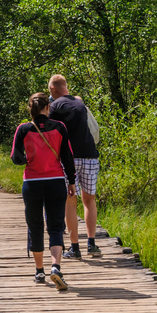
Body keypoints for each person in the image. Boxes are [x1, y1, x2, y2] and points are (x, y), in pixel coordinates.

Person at [11, 93, 76, 291]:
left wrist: (28, 160)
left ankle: (39, 270)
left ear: (30, 109)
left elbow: (15, 157)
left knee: (35, 224)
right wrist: (71, 182)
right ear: (47, 107)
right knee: (56, 225)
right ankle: (55, 267)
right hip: (56, 181)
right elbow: (67, 156)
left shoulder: (23, 129)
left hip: (32, 182)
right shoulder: (59, 127)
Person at [48, 74, 101, 259]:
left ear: (54, 88)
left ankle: (75, 247)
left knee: (70, 201)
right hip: (90, 156)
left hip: (68, 158)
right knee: (90, 200)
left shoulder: (54, 106)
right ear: (65, 86)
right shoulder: (80, 104)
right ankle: (92, 244)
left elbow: (51, 133)